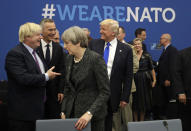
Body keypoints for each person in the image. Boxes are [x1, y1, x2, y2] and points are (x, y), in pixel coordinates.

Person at [5, 22, 61, 131]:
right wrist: (46, 76)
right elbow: (23, 78)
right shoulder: (15, 54)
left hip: (39, 111)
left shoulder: (35, 53)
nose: (41, 37)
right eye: (38, 35)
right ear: (27, 37)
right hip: (23, 114)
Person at [60, 26, 110, 131]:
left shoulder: (95, 59)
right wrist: (63, 111)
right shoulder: (69, 58)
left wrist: (89, 113)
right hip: (72, 114)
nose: (64, 47)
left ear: (78, 42)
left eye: (67, 43)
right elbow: (68, 87)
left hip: (92, 118)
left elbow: (105, 92)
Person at [89, 19, 133, 131]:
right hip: (93, 92)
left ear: (113, 32)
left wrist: (125, 97)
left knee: (108, 123)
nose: (100, 31)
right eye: (100, 28)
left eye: (103, 29)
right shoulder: (93, 44)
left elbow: (128, 76)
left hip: (111, 94)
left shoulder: (126, 49)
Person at [37, 18, 65, 119]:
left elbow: (62, 70)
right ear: (41, 31)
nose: (53, 32)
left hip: (54, 95)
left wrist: (61, 90)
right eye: (50, 30)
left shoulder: (58, 48)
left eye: (54, 29)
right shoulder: (35, 47)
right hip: (37, 93)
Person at [113, 26, 139, 130]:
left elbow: (136, 66)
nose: (116, 35)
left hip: (126, 87)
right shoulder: (109, 47)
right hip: (113, 87)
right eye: (115, 33)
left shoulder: (130, 48)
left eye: (118, 33)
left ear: (123, 34)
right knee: (114, 116)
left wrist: (121, 74)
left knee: (127, 116)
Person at [132, 38, 156, 121]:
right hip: (134, 80)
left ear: (141, 45)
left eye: (139, 44)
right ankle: (135, 122)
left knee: (142, 102)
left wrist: (154, 80)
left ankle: (141, 122)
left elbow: (151, 68)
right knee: (134, 102)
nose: (137, 45)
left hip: (144, 80)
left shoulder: (147, 55)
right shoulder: (131, 55)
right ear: (133, 46)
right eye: (135, 44)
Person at [157, 33, 178, 119]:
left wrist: (168, 79)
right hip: (162, 80)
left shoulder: (172, 50)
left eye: (161, 38)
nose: (160, 40)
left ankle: (171, 118)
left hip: (168, 81)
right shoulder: (165, 50)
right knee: (164, 100)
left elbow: (173, 66)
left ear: (166, 40)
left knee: (170, 99)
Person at [175, 47, 191, 131]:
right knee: (186, 123)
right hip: (187, 97)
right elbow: (176, 74)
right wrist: (180, 92)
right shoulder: (182, 53)